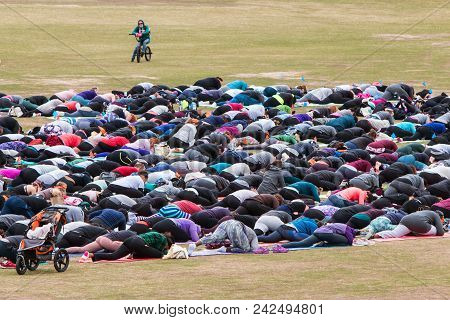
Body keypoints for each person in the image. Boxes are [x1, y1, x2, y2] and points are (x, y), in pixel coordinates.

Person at [187, 220, 258, 254]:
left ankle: (194, 244)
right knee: (246, 249)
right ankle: (223, 249)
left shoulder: (249, 234)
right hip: (236, 226)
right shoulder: (253, 237)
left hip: (227, 223)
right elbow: (252, 249)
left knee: (214, 237)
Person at [376, 210, 445, 238]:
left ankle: (376, 235)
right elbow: (441, 233)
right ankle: (414, 232)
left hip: (406, 219)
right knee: (436, 230)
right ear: (440, 217)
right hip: (419, 223)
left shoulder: (426, 212)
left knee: (394, 233)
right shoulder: (436, 215)